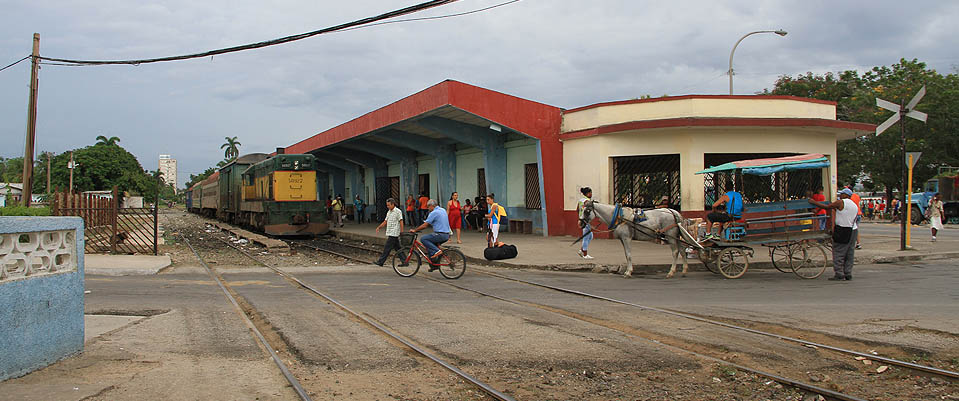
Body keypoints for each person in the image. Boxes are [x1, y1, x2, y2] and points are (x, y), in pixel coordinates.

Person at [809, 188, 859, 281]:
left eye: (841, 194)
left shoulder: (841, 202)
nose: (840, 196)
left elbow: (828, 206)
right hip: (853, 230)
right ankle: (848, 273)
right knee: (849, 253)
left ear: (846, 195)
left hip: (843, 229)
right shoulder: (854, 205)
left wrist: (814, 202)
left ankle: (839, 273)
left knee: (838, 252)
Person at [410, 199, 450, 270]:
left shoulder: (434, 212)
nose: (428, 209)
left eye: (428, 207)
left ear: (432, 206)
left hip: (440, 234)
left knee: (424, 239)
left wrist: (415, 230)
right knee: (430, 247)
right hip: (447, 235)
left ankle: (437, 251)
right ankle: (434, 265)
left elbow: (425, 225)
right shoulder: (442, 210)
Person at [374, 198, 404, 266]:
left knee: (387, 248)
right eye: (387, 205)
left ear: (393, 204)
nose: (388, 207)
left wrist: (401, 231)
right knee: (398, 248)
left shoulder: (398, 211)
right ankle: (404, 261)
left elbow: (401, 221)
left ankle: (381, 262)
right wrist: (379, 227)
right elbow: (385, 221)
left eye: (389, 205)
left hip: (394, 232)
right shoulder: (389, 212)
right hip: (390, 231)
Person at [576, 187, 595, 260]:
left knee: (590, 236)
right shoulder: (587, 201)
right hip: (585, 221)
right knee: (586, 237)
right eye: (590, 193)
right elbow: (588, 211)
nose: (591, 194)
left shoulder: (581, 200)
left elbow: (577, 209)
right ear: (587, 193)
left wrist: (580, 217)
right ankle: (585, 254)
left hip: (582, 220)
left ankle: (582, 250)